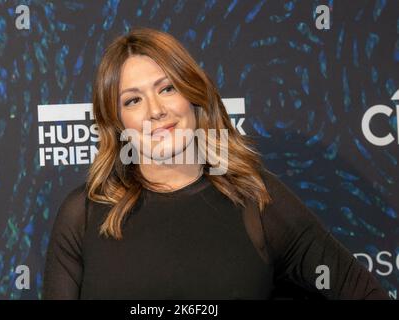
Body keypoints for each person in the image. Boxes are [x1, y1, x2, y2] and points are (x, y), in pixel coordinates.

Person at [42, 27, 390, 300]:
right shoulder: (84, 214)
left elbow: (359, 290)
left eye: (166, 89)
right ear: (117, 123)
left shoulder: (255, 199)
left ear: (193, 96)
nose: (155, 110)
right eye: (133, 100)